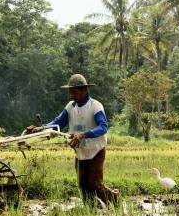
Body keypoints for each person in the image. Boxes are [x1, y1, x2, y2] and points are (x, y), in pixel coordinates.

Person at [27, 74, 120, 207]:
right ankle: (90, 212)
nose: (71, 95)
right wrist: (41, 128)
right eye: (70, 92)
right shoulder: (71, 106)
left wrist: (83, 135)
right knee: (82, 184)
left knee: (95, 183)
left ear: (84, 90)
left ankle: (115, 201)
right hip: (80, 152)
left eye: (74, 92)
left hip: (96, 151)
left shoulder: (95, 106)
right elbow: (58, 122)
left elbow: (103, 127)